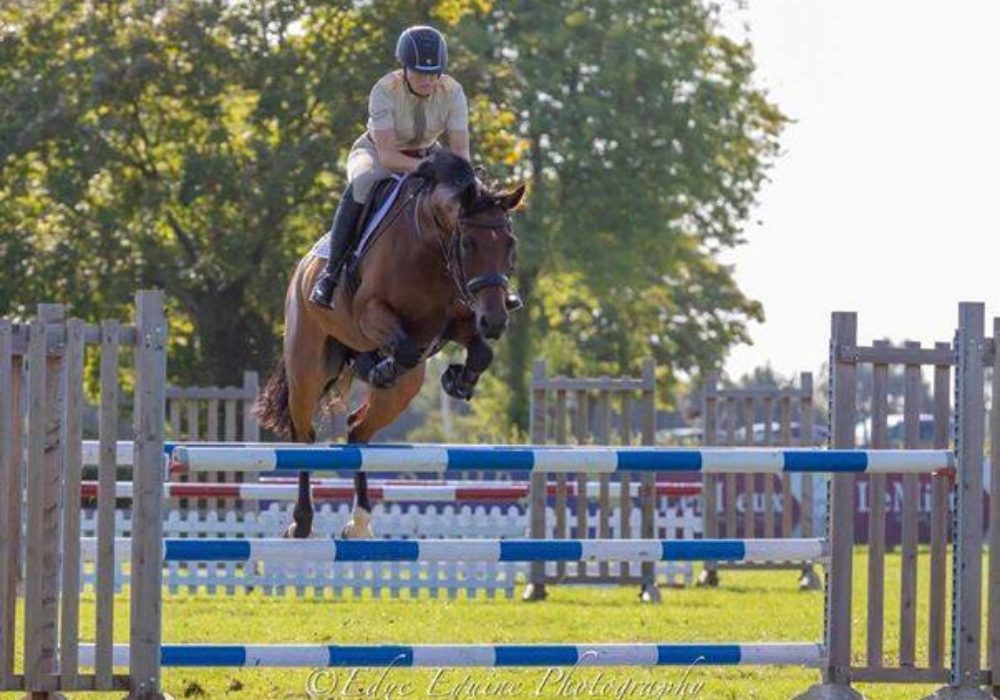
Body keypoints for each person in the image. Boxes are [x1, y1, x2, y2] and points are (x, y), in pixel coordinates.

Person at [310, 25, 471, 307]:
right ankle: (331, 274)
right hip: (377, 152)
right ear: (405, 68)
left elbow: (460, 153)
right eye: (420, 72)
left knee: (474, 191)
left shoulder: (453, 91)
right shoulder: (384, 90)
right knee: (362, 183)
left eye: (433, 73)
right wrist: (427, 168)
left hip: (429, 153)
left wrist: (462, 181)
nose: (427, 80)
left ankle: (485, 280)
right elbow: (388, 158)